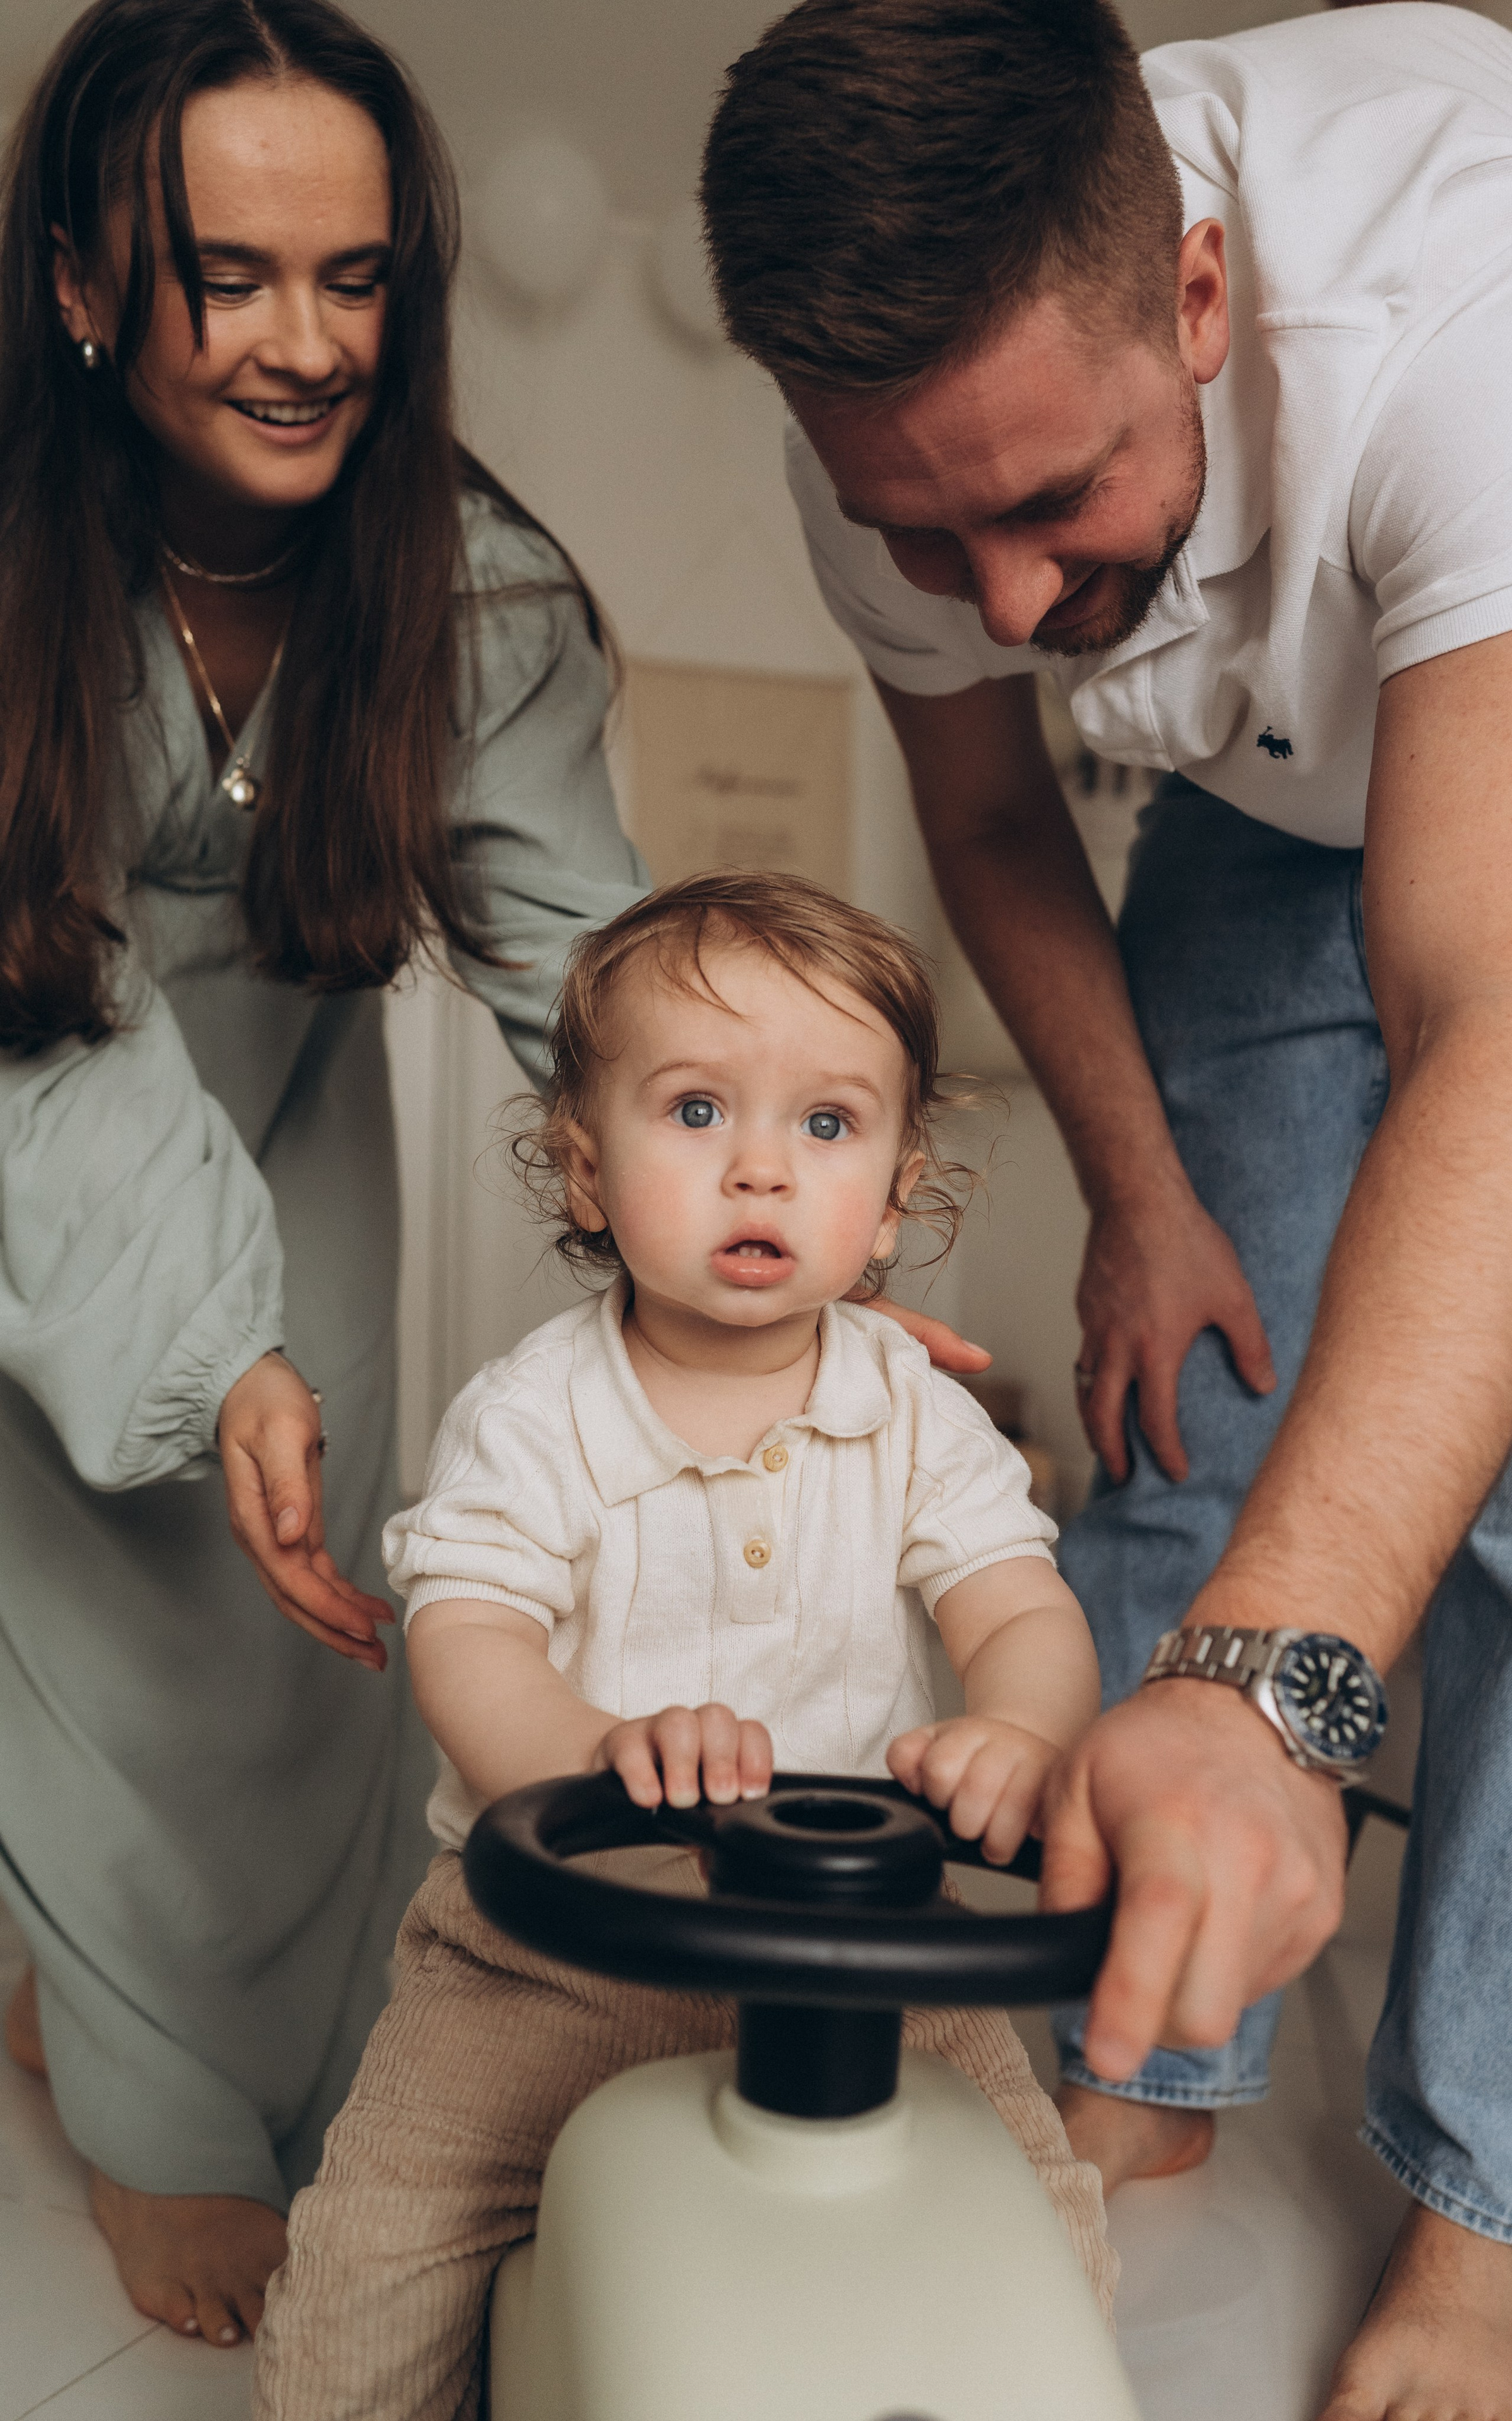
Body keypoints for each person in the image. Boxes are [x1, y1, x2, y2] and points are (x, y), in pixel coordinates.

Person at [699, 5, 1512, 2418]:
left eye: (1058, 503)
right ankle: (1146, 2053)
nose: (997, 600)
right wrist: (1142, 1196)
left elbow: (1497, 1015)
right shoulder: (892, 425)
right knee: (1191, 1401)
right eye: (927, 533)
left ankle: (1484, 2211)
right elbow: (1002, 824)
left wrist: (1288, 1681)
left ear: (1201, 301)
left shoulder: (1488, 288)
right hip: (1251, 802)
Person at [0, 0, 652, 2350]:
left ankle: (237, 2041)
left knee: (301, 1630)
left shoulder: (474, 589)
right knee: (102, 1634)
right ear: (84, 280)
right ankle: (149, 2115)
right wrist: (200, 1325)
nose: (305, 344)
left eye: (356, 279)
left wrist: (780, 1217)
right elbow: (28, 1015)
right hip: (28, 1097)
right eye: (232, 274)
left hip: (304, 1113)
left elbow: (606, 973)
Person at [249, 869, 1116, 2421]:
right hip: (555, 1953)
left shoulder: (913, 1410)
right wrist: (597, 1759)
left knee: (1049, 2241)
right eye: (699, 1112)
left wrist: (1020, 1730)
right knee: (368, 2274)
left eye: (827, 1127)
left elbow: (1016, 1604)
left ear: (902, 1192)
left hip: (875, 1952)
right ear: (584, 1173)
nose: (764, 1173)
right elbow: (470, 1640)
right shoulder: (534, 1414)